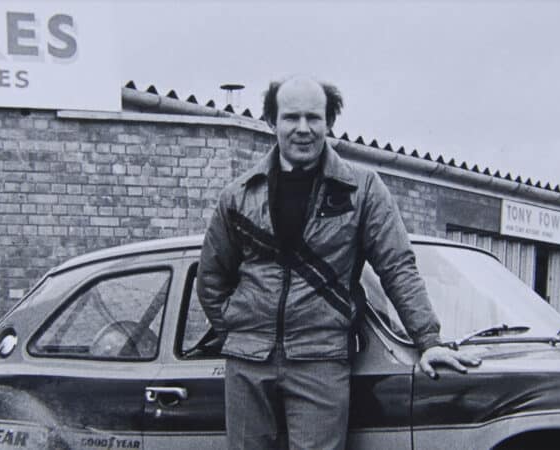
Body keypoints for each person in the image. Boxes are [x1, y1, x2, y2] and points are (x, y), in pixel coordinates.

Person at [196, 75, 480, 450]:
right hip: (247, 362)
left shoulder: (362, 190)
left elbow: (397, 266)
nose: (303, 129)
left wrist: (428, 339)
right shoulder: (238, 195)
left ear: (329, 122)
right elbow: (211, 277)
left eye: (314, 118)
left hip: (320, 360)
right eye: (291, 117)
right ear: (271, 122)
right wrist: (237, 326)